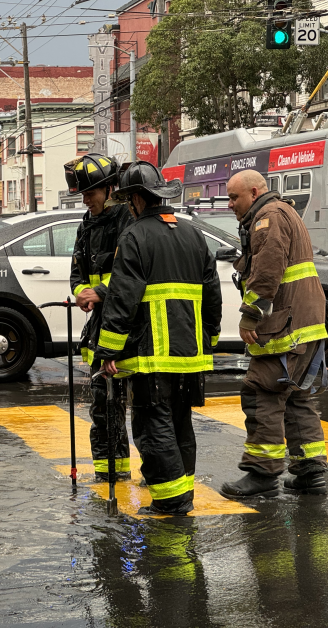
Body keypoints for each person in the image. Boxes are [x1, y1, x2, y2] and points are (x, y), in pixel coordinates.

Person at [96, 161, 222, 516]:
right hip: (191, 355)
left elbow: (122, 298)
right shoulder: (193, 234)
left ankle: (170, 500)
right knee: (181, 424)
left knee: (154, 428)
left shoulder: (134, 237)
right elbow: (212, 295)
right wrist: (208, 335)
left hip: (152, 357)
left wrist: (108, 348)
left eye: (128, 200)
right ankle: (183, 494)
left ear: (137, 199)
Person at [220, 169, 328, 500]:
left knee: (262, 393)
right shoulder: (283, 211)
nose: (229, 204)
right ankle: (310, 473)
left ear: (254, 193)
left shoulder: (268, 216)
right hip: (304, 323)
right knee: (296, 397)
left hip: (287, 325)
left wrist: (250, 317)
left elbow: (267, 271)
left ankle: (262, 474)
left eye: (234, 197)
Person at [65, 153, 134, 481]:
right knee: (104, 408)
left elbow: (130, 272)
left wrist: (101, 291)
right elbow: (77, 269)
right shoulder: (86, 224)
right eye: (83, 194)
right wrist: (80, 291)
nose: (86, 199)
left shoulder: (126, 220)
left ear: (110, 189)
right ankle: (111, 474)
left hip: (129, 329)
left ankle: (156, 473)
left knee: (145, 411)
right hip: (99, 328)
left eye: (91, 192)